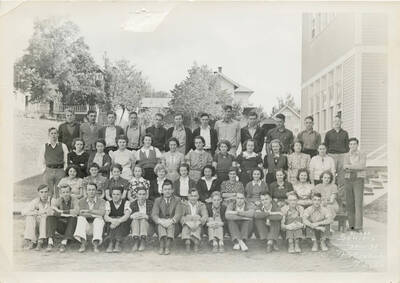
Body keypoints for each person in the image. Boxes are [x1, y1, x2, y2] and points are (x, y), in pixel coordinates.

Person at [151, 180, 183, 255]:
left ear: (172, 190)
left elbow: (178, 214)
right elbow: (154, 214)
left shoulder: (177, 200)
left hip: (174, 225)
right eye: (165, 189)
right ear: (162, 191)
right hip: (161, 224)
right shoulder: (157, 200)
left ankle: (167, 247)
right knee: (160, 225)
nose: (167, 191)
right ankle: (162, 247)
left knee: (171, 226)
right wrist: (161, 221)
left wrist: (170, 221)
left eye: (169, 189)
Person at [73, 182, 106, 253]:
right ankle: (83, 244)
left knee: (98, 220)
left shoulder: (102, 201)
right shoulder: (81, 201)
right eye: (89, 190)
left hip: (97, 226)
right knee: (80, 219)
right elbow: (79, 213)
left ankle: (95, 245)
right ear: (86, 191)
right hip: (86, 226)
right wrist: (94, 213)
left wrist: (88, 211)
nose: (91, 192)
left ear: (96, 191)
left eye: (93, 190)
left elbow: (102, 213)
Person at [46, 184, 78, 252]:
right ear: (60, 193)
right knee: (50, 217)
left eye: (67, 192)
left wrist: (60, 211)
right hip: (62, 225)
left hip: (71, 226)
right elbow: (50, 212)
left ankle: (64, 242)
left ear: (70, 192)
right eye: (63, 192)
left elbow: (76, 211)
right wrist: (67, 214)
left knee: (73, 218)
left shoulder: (74, 199)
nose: (66, 194)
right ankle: (50, 242)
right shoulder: (59, 200)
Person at [343, 137, 366, 232]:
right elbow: (344, 167)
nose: (352, 146)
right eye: (351, 144)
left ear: (357, 145)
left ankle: (359, 227)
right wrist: (354, 167)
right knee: (350, 203)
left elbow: (362, 166)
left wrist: (350, 166)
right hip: (348, 180)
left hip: (358, 179)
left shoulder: (362, 154)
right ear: (349, 145)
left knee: (358, 203)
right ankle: (351, 226)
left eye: (354, 144)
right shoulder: (346, 155)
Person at [39, 127, 69, 197]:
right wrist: (44, 170)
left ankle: (58, 207)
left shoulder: (63, 146)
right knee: (48, 192)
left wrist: (64, 170)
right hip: (48, 171)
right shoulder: (44, 146)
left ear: (58, 134)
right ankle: (49, 207)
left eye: (55, 133)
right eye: (51, 133)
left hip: (60, 170)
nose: (53, 135)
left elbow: (67, 159)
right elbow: (41, 160)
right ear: (49, 135)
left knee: (59, 191)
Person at [22, 184, 53, 250]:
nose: (44, 194)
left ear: (48, 192)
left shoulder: (52, 200)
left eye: (46, 192)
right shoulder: (35, 201)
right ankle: (31, 240)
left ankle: (40, 241)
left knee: (44, 217)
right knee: (30, 217)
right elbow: (23, 212)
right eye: (41, 192)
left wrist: (43, 213)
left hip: (49, 224)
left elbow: (53, 212)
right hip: (38, 224)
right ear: (38, 193)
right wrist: (36, 213)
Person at [104, 187, 131, 253]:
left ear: (121, 195)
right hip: (111, 224)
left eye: (118, 194)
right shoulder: (108, 203)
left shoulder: (126, 203)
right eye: (114, 194)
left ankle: (116, 243)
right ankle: (112, 243)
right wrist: (113, 221)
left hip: (123, 225)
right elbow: (106, 216)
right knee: (111, 220)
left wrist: (118, 221)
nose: (115, 196)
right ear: (111, 195)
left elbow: (127, 215)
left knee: (121, 221)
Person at [180, 188, 208, 253]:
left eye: (195, 196)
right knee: (186, 225)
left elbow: (205, 216)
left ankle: (196, 242)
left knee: (197, 225)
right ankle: (187, 241)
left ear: (198, 196)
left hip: (197, 224)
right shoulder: (184, 205)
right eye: (191, 196)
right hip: (187, 224)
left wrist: (198, 221)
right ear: (188, 196)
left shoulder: (201, 205)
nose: (193, 198)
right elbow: (181, 216)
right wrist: (190, 220)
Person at [129, 186, 154, 252]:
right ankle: (136, 241)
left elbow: (154, 218)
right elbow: (128, 219)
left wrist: (146, 216)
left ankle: (143, 241)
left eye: (143, 194)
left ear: (146, 195)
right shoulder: (132, 204)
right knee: (135, 219)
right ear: (136, 195)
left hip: (147, 226)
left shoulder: (151, 204)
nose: (142, 196)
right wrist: (132, 216)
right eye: (139, 194)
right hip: (135, 226)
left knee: (143, 219)